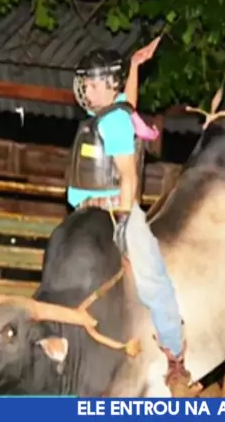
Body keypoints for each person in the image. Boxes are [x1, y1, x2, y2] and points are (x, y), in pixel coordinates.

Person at [66, 40, 191, 393]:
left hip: (114, 210)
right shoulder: (112, 115)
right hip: (88, 211)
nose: (86, 90)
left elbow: (128, 176)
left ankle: (175, 356)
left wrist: (122, 220)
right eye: (85, 83)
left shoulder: (115, 123)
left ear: (109, 84)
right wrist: (134, 65)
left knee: (152, 278)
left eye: (91, 84)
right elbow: (128, 103)